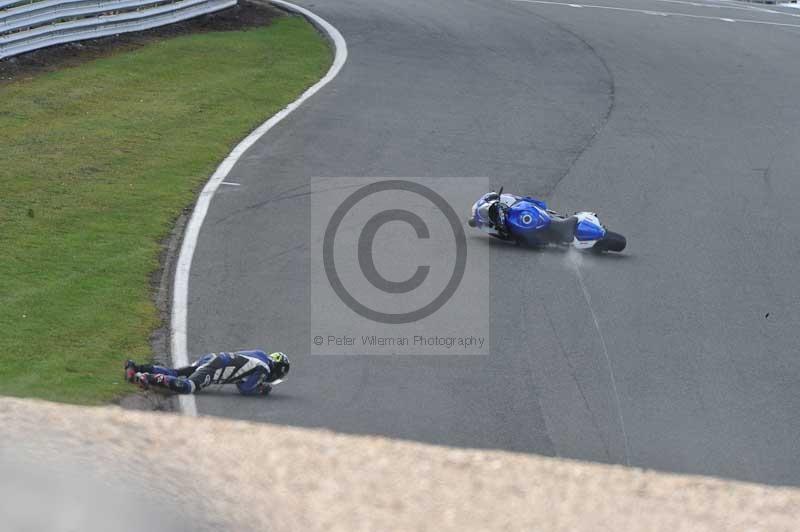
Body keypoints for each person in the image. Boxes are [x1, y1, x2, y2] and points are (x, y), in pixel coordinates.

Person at [125, 350, 290, 396]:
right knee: (189, 386)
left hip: (214, 358)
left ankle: (134, 367)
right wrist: (262, 389)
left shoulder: (259, 355)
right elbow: (246, 388)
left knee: (174, 372)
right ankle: (147, 377)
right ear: (277, 370)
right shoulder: (264, 368)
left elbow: (242, 376)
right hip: (217, 367)